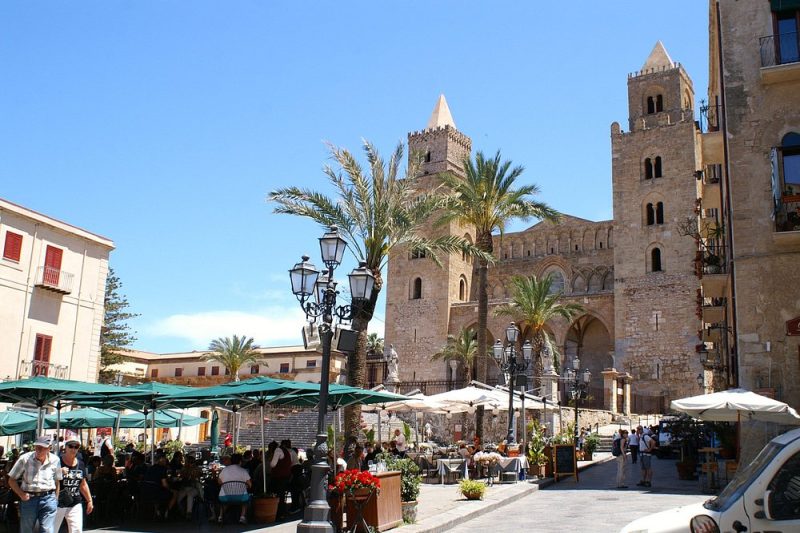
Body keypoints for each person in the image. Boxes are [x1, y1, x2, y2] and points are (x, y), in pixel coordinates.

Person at [7, 435, 63, 533]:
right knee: (26, 530)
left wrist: (55, 499)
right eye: (37, 447)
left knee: (47, 530)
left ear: (49, 449)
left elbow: (57, 480)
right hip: (29, 499)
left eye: (42, 448)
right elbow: (11, 480)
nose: (38, 450)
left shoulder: (55, 460)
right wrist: (21, 494)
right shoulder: (25, 459)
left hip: (48, 498)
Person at [55, 438, 93, 532]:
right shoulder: (57, 461)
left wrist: (89, 500)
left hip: (75, 501)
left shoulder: (80, 464)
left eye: (76, 447)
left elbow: (83, 484)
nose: (73, 449)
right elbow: (47, 476)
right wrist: (59, 471)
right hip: (58, 502)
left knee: (76, 530)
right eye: (71, 446)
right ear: (65, 447)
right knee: (52, 529)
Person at [217, 453, 251, 524]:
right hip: (241, 497)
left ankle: (220, 516)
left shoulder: (224, 470)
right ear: (240, 462)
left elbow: (219, 482)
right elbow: (250, 484)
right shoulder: (243, 471)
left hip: (225, 497)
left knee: (224, 502)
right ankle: (242, 517)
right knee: (246, 500)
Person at [143, 454, 177, 519]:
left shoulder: (150, 468)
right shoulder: (163, 469)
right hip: (157, 492)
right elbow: (164, 484)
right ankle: (167, 511)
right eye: (165, 461)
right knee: (175, 493)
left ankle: (158, 511)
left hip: (146, 491)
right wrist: (170, 489)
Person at [176, 455, 202, 519]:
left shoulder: (196, 469)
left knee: (190, 495)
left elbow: (197, 477)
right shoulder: (184, 469)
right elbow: (181, 477)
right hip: (184, 488)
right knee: (177, 498)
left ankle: (188, 513)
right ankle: (181, 511)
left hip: (194, 488)